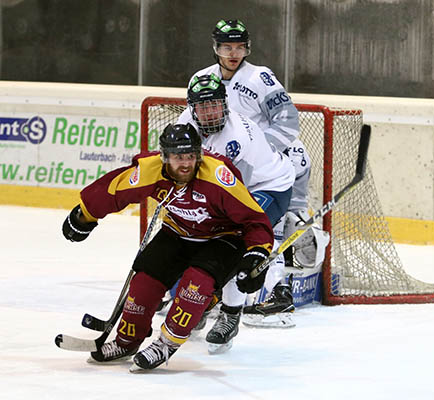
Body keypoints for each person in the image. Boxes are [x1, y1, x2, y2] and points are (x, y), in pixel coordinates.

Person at [61, 123, 274, 371]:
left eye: (190, 157)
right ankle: (126, 340)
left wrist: (257, 252)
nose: (185, 164)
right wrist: (85, 216)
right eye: (177, 157)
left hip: (223, 238)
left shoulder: (218, 178)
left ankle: (166, 343)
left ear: (199, 155)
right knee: (143, 284)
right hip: (177, 233)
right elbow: (114, 190)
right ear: (164, 157)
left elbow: (255, 220)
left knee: (195, 285)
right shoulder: (150, 171)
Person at [186, 19, 330, 330]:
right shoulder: (202, 79)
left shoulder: (260, 77)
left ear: (247, 48)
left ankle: (279, 289)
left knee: (262, 226)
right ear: (216, 48)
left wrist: (263, 153)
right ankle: (204, 289)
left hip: (271, 165)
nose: (233, 53)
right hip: (233, 167)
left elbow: (288, 122)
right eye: (227, 47)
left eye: (239, 47)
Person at [177, 73, 296, 351]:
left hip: (269, 186)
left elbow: (233, 199)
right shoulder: (185, 124)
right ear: (192, 108)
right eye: (202, 107)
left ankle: (230, 316)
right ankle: (209, 299)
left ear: (225, 104)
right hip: (230, 187)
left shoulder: (236, 138)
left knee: (234, 240)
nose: (209, 113)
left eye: (215, 105)